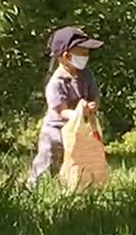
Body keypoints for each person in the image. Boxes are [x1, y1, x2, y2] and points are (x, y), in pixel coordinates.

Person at [28, 26, 104, 187]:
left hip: (79, 129)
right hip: (56, 130)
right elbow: (62, 111)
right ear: (66, 56)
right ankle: (35, 186)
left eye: (87, 54)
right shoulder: (56, 82)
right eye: (82, 54)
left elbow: (94, 98)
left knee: (77, 161)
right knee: (49, 158)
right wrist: (79, 112)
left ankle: (72, 187)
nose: (86, 57)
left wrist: (92, 106)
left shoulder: (87, 75)